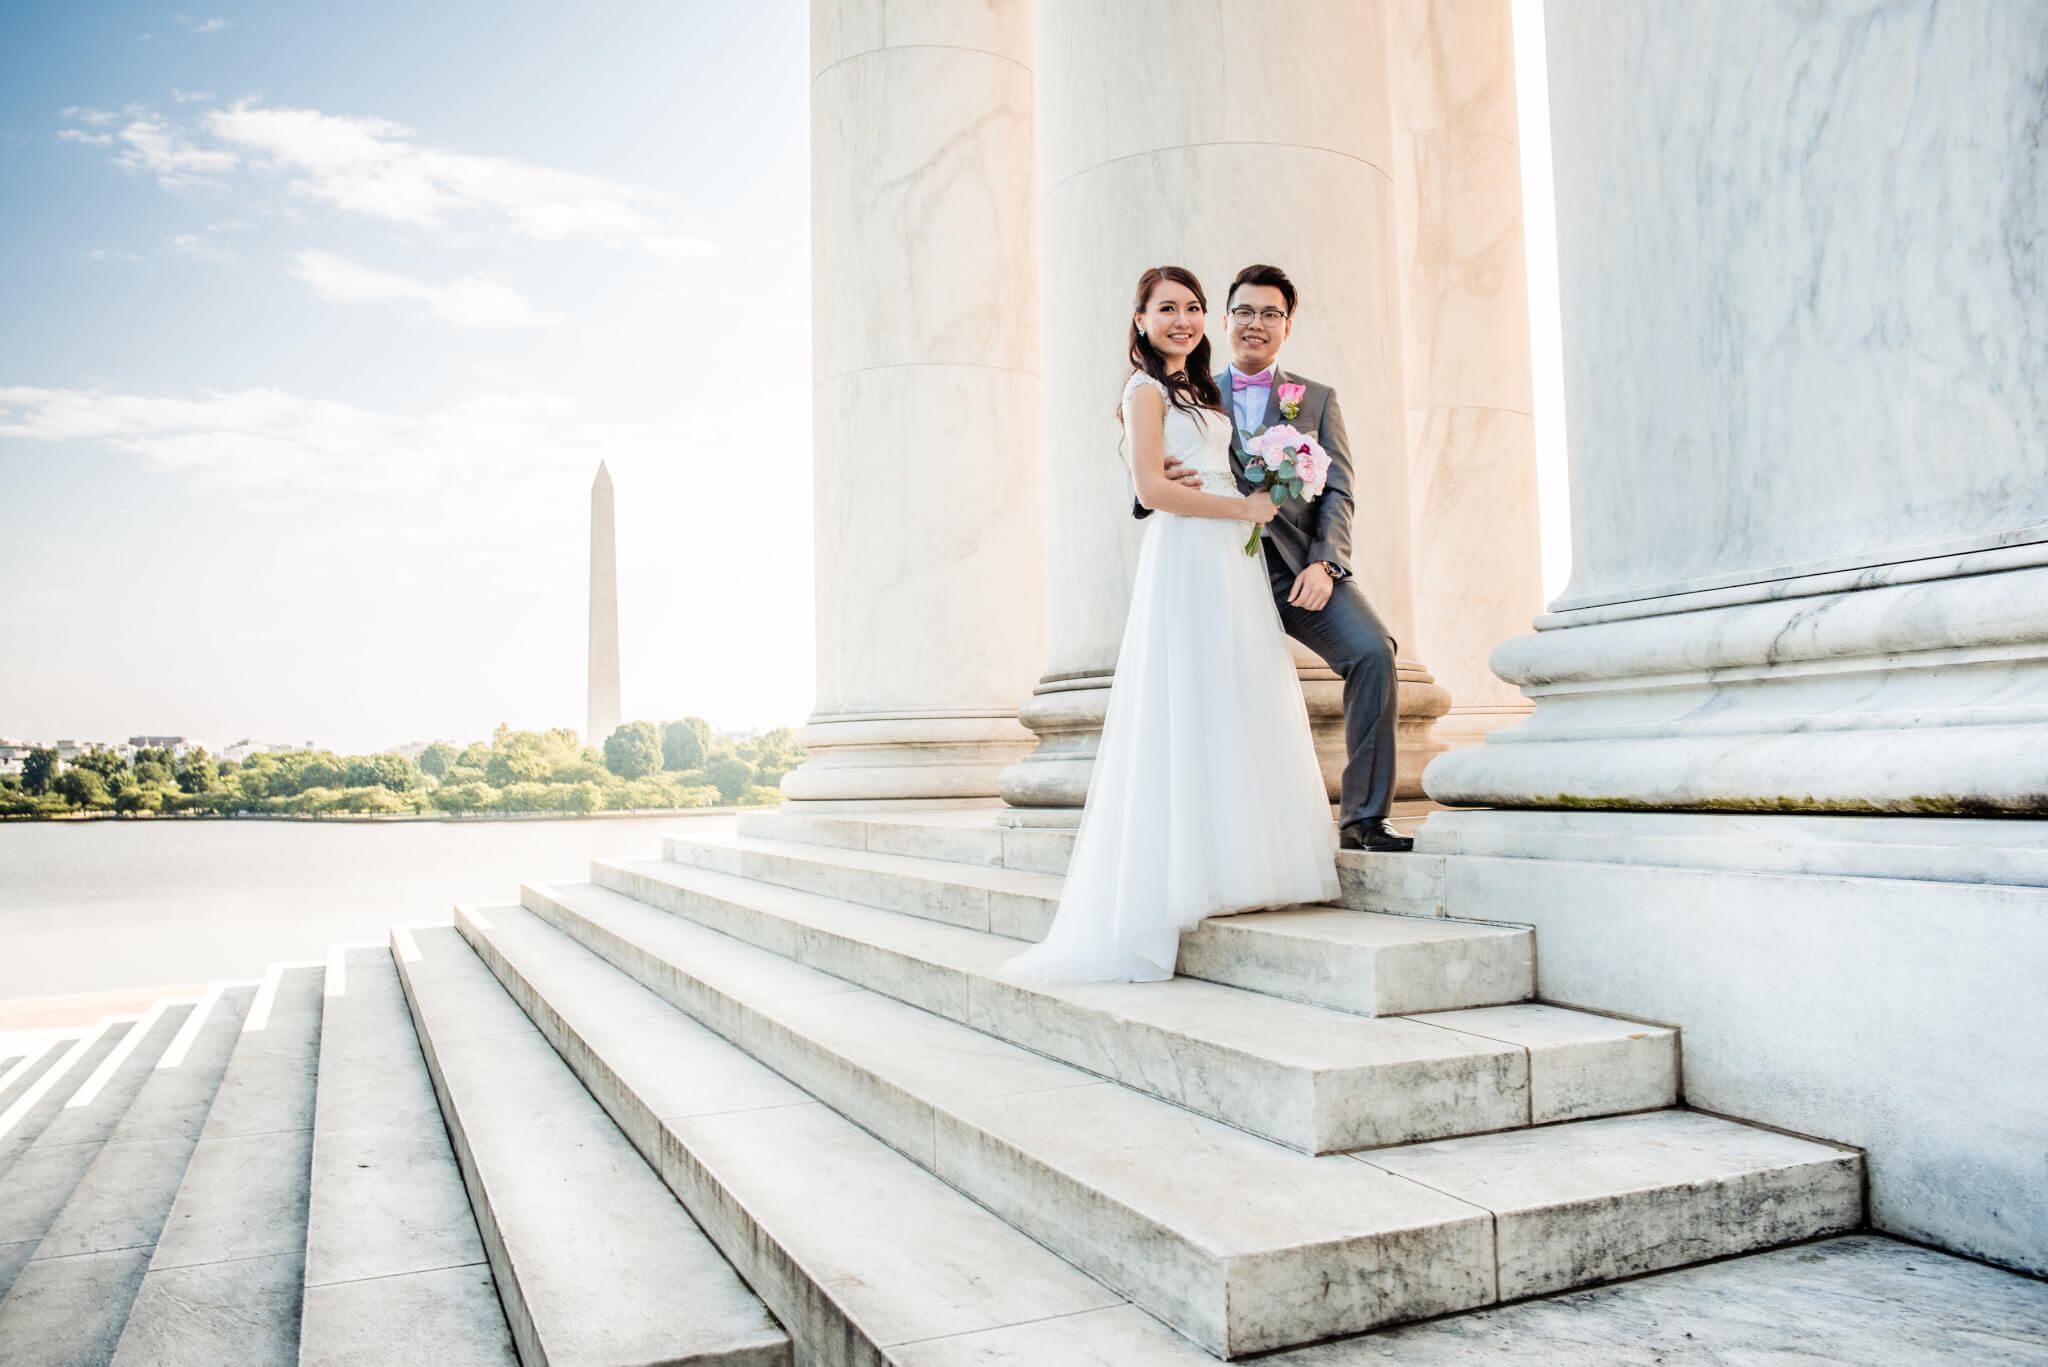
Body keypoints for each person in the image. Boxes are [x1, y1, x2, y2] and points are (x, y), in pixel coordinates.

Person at [1001, 267, 1339, 987]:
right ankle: (1183, 875)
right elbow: (1151, 490)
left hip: (1228, 561)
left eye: (1191, 308)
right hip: (1189, 553)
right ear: (1140, 319)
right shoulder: (1144, 390)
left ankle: (1239, 865)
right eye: (1166, 309)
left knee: (1234, 695)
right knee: (1186, 695)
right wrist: (1245, 510)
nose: (1183, 320)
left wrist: (1270, 485)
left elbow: (1216, 467)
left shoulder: (1202, 391)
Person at [1148, 263, 1410, 852]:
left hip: (1296, 570)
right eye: (1244, 311)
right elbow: (1147, 476)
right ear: (1225, 319)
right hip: (1217, 567)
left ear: (1287, 326)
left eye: (1270, 313)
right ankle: (1212, 831)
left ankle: (1365, 816)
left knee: (1373, 652)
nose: (1255, 324)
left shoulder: (1314, 399)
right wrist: (1158, 480)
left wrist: (1327, 564)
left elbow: (1338, 488)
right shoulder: (1190, 395)